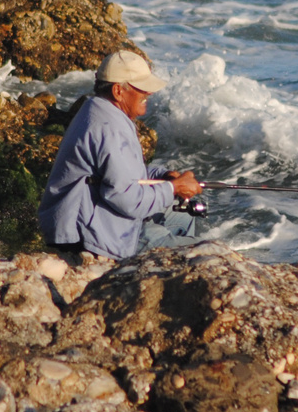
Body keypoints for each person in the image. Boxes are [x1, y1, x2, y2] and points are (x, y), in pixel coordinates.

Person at [37, 50, 203, 260]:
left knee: (183, 213)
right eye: (142, 88)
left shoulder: (99, 110)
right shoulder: (109, 127)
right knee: (203, 253)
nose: (148, 94)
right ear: (118, 91)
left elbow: (120, 174)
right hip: (91, 236)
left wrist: (163, 176)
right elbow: (126, 198)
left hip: (101, 220)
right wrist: (173, 188)